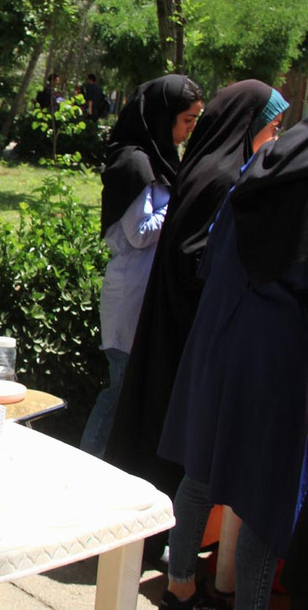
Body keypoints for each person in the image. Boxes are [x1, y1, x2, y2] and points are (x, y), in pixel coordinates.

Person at [104, 80, 289, 504]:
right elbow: (193, 257)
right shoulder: (222, 177)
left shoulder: (210, 167)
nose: (275, 138)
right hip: (185, 331)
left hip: (175, 325)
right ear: (248, 124)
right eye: (273, 127)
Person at [156, 118, 307, 610]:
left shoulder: (261, 163)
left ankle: (179, 584)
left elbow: (213, 253)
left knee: (203, 469)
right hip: (282, 361)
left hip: (222, 340)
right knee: (267, 501)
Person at [79, 74, 204, 458]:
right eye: (187, 120)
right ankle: (87, 461)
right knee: (118, 392)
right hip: (130, 295)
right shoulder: (133, 163)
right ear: (164, 116)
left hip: (143, 291)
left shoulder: (159, 158)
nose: (190, 129)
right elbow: (139, 231)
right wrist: (183, 207)